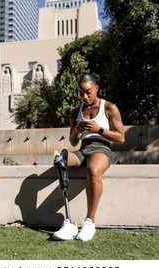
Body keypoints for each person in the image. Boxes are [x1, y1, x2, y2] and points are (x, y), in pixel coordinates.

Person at [52, 73, 125, 241]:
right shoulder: (75, 112)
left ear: (96, 88)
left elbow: (121, 138)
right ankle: (69, 223)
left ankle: (89, 222)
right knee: (60, 163)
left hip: (101, 148)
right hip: (83, 150)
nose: (85, 96)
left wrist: (98, 129)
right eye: (81, 93)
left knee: (93, 170)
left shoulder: (109, 108)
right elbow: (73, 141)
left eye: (88, 92)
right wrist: (77, 130)